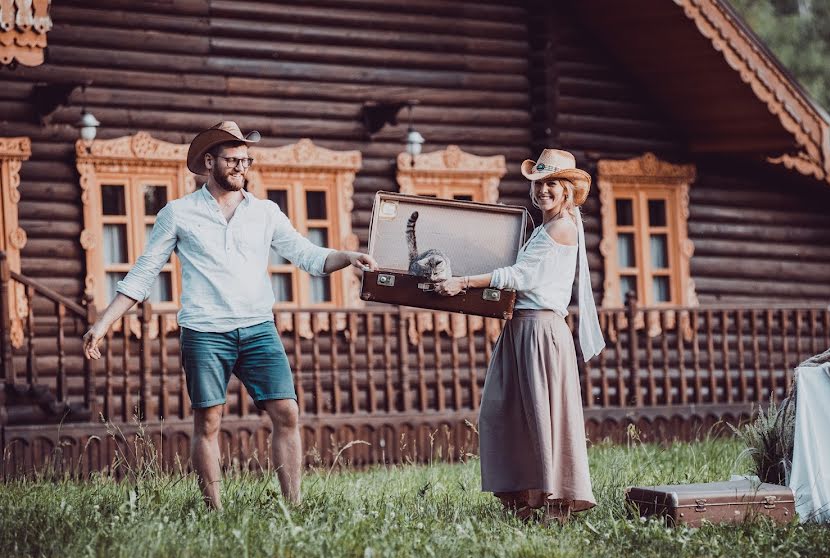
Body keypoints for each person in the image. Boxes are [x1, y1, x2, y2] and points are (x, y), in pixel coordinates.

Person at [81, 121, 378, 509]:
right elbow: (143, 273)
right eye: (233, 160)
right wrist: (103, 323)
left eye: (246, 160)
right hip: (204, 332)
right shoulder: (178, 214)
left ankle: (295, 507)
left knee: (287, 411)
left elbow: (309, 256)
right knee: (208, 422)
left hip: (258, 329)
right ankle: (215, 512)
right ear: (210, 162)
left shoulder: (266, 212)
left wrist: (349, 257)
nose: (241, 167)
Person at [436, 149, 605, 524]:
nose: (544, 190)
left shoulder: (562, 227)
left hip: (541, 330)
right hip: (520, 328)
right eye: (539, 184)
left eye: (552, 184)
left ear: (567, 191)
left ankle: (558, 502)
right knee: (504, 410)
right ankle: (522, 496)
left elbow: (520, 277)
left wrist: (462, 281)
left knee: (547, 413)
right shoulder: (543, 228)